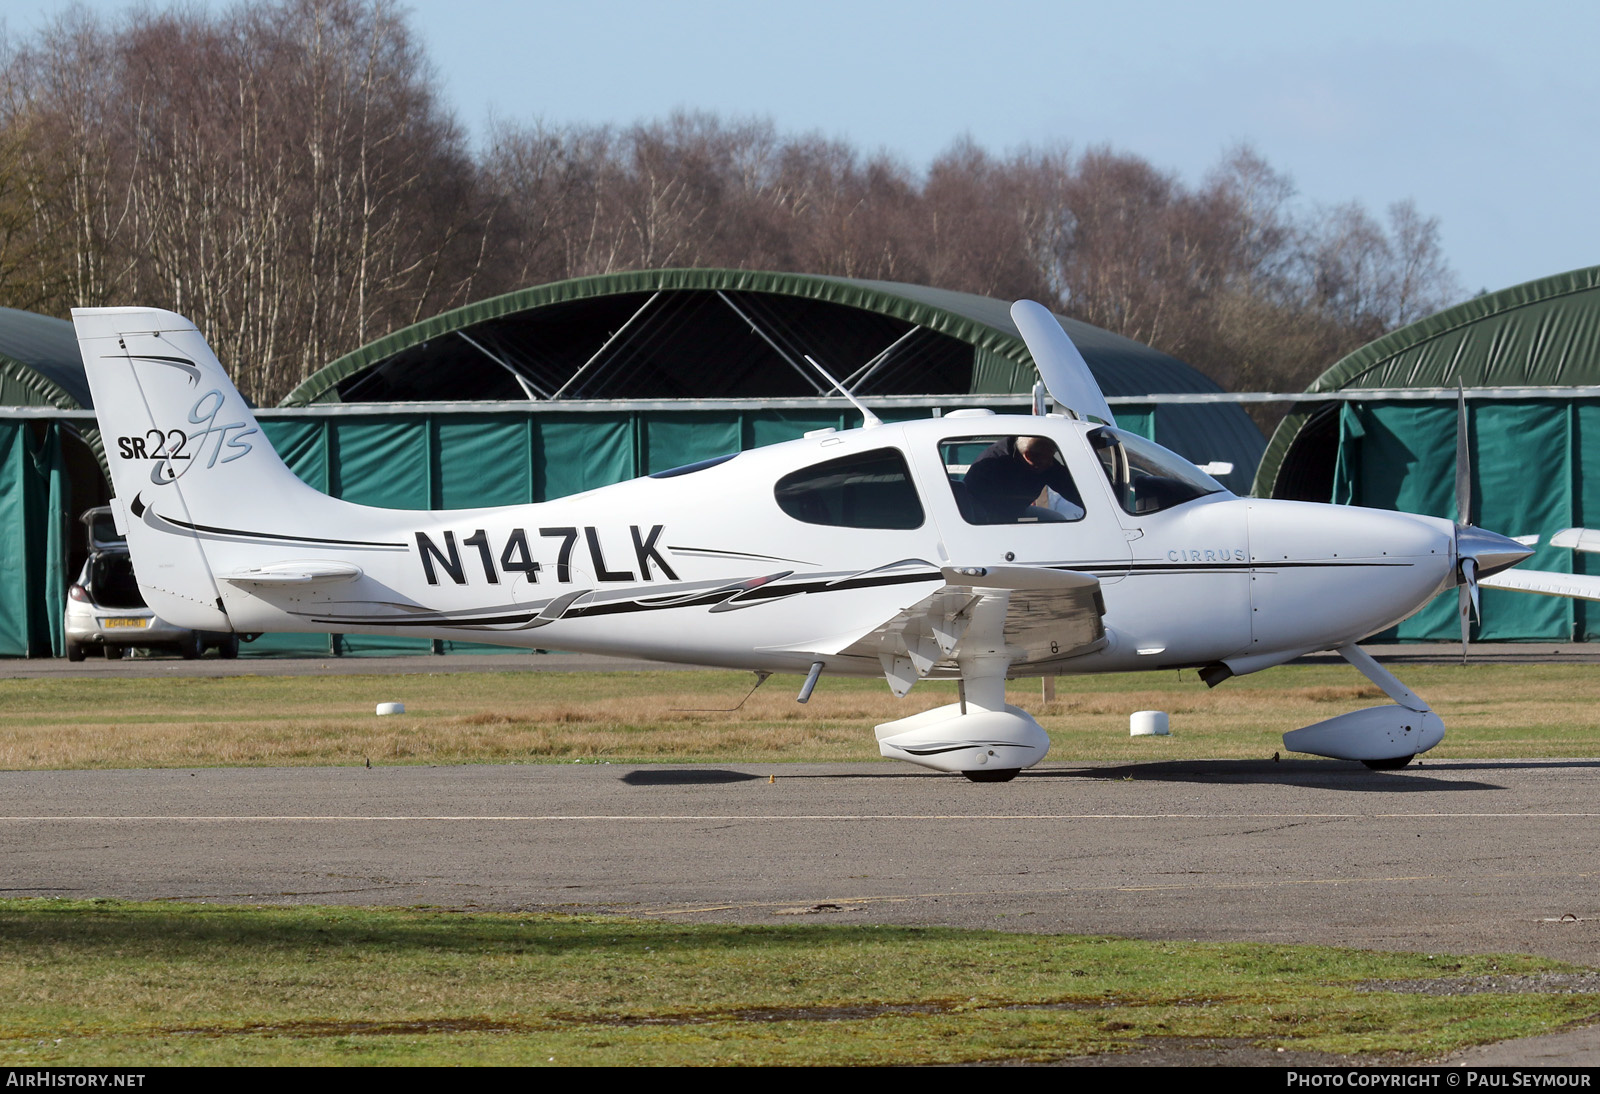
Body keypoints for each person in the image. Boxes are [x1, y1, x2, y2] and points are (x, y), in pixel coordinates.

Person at [961, 435, 1085, 524]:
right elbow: (978, 504)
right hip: (984, 517)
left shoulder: (1041, 457)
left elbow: (1069, 486)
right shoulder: (993, 464)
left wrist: (1091, 501)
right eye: (1048, 457)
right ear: (1029, 456)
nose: (1051, 462)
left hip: (1016, 510)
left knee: (1057, 520)